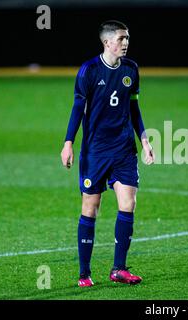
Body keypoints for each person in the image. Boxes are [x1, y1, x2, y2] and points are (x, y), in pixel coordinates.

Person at [60, 20, 154, 287]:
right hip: (96, 150)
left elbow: (134, 108)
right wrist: (68, 142)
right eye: (121, 38)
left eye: (127, 38)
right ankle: (84, 273)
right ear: (107, 42)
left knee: (128, 204)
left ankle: (119, 269)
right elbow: (78, 108)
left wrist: (144, 139)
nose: (126, 43)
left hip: (124, 149)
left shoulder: (131, 69)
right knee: (91, 208)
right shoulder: (89, 70)